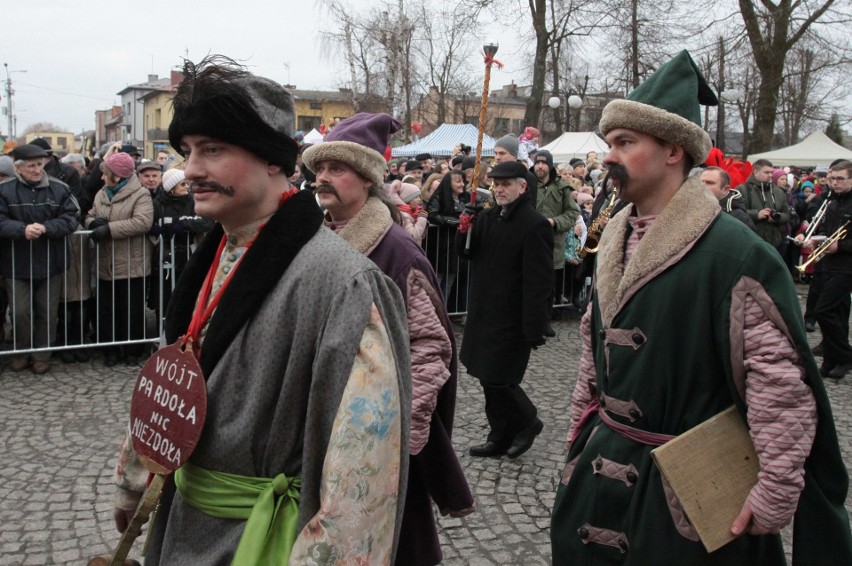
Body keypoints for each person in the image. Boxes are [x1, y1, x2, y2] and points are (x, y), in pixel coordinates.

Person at [551, 50, 852, 565]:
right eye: (609, 144)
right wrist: (579, 446)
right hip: (602, 473)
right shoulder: (615, 240)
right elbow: (592, 359)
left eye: (625, 143)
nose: (608, 157)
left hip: (688, 499)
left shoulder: (734, 254)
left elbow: (779, 387)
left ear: (673, 151)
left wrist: (776, 490)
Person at [111, 56, 412, 565]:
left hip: (262, 541)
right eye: (187, 151)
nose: (191, 170)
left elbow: (362, 480)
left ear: (273, 159)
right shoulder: (211, 257)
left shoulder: (346, 284)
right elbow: (175, 381)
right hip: (181, 522)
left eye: (213, 150)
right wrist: (135, 476)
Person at [303, 112, 474, 565]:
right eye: (319, 169)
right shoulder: (316, 239)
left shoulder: (396, 251)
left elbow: (430, 346)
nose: (322, 178)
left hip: (377, 431)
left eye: (336, 169)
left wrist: (399, 432)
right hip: (326, 421)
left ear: (367, 179)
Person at [458, 161, 553, 459]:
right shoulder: (488, 217)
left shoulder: (534, 224)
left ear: (522, 187)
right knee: (488, 377)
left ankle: (528, 421)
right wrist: (466, 228)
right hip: (485, 310)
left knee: (499, 378)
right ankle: (499, 435)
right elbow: (468, 254)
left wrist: (535, 325)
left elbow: (539, 281)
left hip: (512, 317)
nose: (499, 189)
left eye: (506, 184)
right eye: (496, 184)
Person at [0, 144, 79, 373]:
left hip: (50, 261)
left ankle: (42, 355)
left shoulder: (59, 188)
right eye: (31, 166)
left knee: (47, 311)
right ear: (19, 168)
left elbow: (72, 217)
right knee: (20, 312)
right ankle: (21, 352)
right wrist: (21, 229)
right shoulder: (5, 190)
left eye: (39, 164)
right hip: (17, 263)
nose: (37, 170)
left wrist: (46, 228)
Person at [86, 149, 155, 367]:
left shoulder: (140, 194)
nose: (102, 177)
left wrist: (109, 229)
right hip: (107, 263)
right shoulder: (101, 194)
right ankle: (111, 350)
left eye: (106, 173)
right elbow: (90, 215)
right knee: (107, 310)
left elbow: (142, 222)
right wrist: (91, 224)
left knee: (131, 311)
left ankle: (133, 350)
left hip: (132, 263)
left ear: (117, 175)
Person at [804, 161, 852, 378]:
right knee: (838, 314)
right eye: (833, 178)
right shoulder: (832, 202)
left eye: (840, 178)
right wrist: (814, 240)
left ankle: (844, 356)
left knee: (823, 310)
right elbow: (826, 229)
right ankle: (832, 360)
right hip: (829, 264)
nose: (834, 182)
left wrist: (840, 245)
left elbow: (841, 240)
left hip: (847, 267)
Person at [148, 168, 214, 319]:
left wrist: (184, 224)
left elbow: (207, 222)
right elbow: (149, 224)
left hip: (188, 254)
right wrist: (155, 229)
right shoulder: (157, 204)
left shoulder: (193, 201)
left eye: (187, 183)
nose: (186, 187)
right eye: (182, 184)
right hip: (165, 257)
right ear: (171, 188)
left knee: (187, 297)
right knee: (164, 299)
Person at [532, 150, 580, 326]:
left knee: (549, 283)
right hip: (530, 241)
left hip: (554, 243)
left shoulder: (562, 187)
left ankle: (546, 320)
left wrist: (555, 221)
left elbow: (573, 212)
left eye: (544, 163)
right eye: (537, 162)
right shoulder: (527, 184)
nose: (540, 166)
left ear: (550, 165)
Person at [740, 158, 791, 255]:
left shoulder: (778, 191)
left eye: (771, 172)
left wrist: (777, 217)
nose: (770, 175)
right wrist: (757, 214)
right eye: (766, 172)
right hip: (751, 241)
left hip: (775, 242)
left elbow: (787, 214)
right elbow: (736, 213)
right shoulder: (743, 189)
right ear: (755, 171)